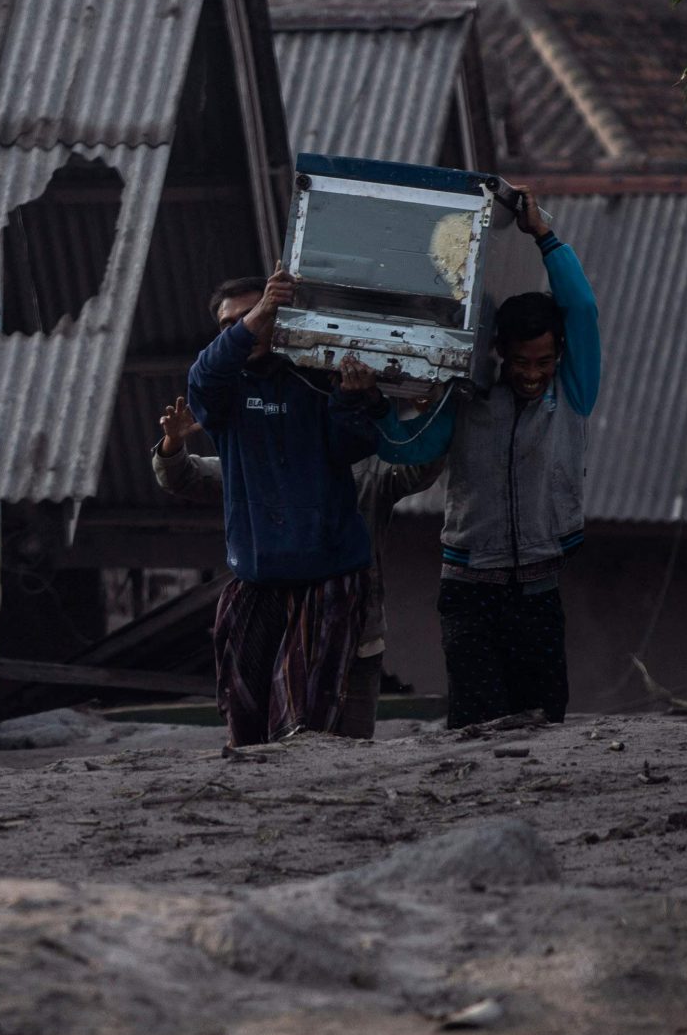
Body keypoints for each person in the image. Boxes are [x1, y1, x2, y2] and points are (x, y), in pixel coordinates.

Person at [375, 187, 600, 729]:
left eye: (544, 360)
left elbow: (584, 309)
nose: (531, 373)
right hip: (469, 590)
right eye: (521, 361)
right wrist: (372, 399)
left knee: (544, 722)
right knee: (476, 724)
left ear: (560, 356)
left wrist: (544, 237)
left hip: (540, 590)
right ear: (499, 352)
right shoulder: (467, 398)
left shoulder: (572, 394)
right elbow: (406, 446)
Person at [185, 270, 388, 743]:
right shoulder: (224, 393)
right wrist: (255, 317)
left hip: (327, 577)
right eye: (232, 323)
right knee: (247, 715)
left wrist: (350, 398)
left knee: (306, 716)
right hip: (258, 578)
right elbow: (201, 379)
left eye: (262, 315)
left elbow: (353, 447)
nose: (250, 328)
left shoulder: (315, 376)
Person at [153, 394, 440, 707]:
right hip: (280, 632)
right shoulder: (266, 463)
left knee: (349, 737)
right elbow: (187, 477)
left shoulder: (369, 467)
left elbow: (420, 467)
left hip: (355, 629)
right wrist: (172, 442)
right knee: (282, 737)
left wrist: (430, 417)